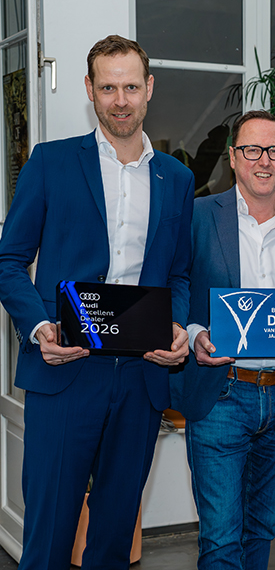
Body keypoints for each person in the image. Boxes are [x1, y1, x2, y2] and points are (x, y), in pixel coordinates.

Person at [0, 35, 194, 569]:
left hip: (140, 377)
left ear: (149, 87)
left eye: (130, 87)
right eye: (108, 88)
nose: (120, 100)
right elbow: (9, 261)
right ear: (90, 90)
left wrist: (176, 326)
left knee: (114, 540)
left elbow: (179, 273)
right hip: (65, 371)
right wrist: (39, 328)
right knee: (47, 540)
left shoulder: (177, 178)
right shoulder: (51, 162)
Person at [169, 110, 275, 569]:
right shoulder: (199, 216)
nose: (264, 160)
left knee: (262, 530)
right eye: (252, 150)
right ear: (233, 157)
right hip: (221, 394)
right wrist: (195, 334)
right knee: (221, 540)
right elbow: (176, 285)